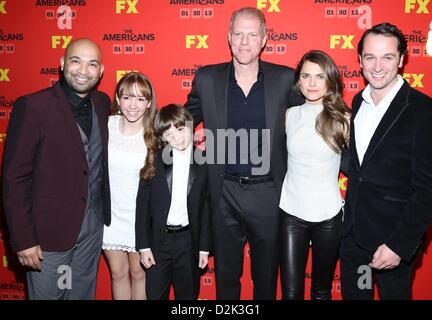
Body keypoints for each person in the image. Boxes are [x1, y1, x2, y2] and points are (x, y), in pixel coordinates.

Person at [185, 7, 303, 299]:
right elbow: (183, 119)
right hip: (224, 191)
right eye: (238, 34)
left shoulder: (286, 79)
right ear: (228, 37)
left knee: (266, 278)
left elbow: (313, 121)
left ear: (264, 39)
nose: (244, 42)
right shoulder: (207, 78)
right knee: (226, 278)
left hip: (269, 192)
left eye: (252, 35)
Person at [2, 38, 110, 299]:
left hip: (92, 229)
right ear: (62, 64)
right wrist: (24, 239)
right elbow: (15, 178)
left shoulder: (103, 103)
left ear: (101, 71)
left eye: (92, 64)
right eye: (76, 61)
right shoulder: (33, 107)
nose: (83, 70)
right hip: (49, 233)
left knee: (81, 295)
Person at [340, 22, 432, 300]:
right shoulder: (357, 102)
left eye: (387, 57)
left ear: (402, 60)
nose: (378, 66)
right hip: (353, 237)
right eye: (370, 57)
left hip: (391, 244)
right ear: (359, 60)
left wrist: (398, 245)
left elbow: (427, 189)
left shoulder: (423, 110)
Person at [279, 50, 350, 300]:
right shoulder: (289, 115)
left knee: (321, 292)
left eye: (319, 76)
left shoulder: (344, 119)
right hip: (291, 212)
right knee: (290, 293)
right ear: (298, 80)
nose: (311, 83)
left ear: (330, 80)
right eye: (306, 76)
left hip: (329, 216)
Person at [135, 104, 211, 300]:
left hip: (188, 241)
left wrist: (204, 248)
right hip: (158, 242)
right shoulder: (155, 160)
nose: (177, 137)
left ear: (190, 124)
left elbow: (207, 210)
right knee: (155, 294)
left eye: (179, 129)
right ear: (162, 138)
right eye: (169, 134)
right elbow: (142, 207)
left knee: (187, 296)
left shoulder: (204, 161)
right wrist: (143, 247)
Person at [102, 72, 156, 299]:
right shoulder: (106, 125)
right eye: (126, 97)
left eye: (140, 99)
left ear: (149, 103)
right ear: (117, 98)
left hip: (140, 219)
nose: (133, 105)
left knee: (138, 273)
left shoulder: (155, 133)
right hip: (110, 217)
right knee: (117, 273)